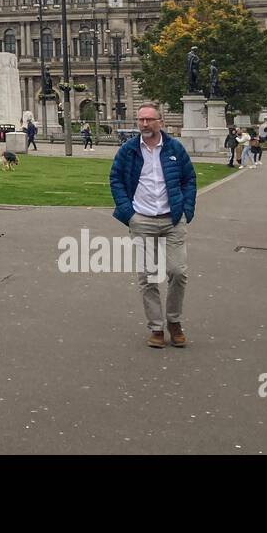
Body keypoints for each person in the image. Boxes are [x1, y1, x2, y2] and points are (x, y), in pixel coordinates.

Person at [109, 102, 198, 349]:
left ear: (160, 121)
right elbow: (115, 178)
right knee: (148, 277)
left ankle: (174, 321)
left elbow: (189, 179)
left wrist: (186, 210)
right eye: (141, 120)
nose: (145, 124)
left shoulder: (175, 148)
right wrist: (129, 213)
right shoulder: (128, 150)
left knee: (178, 272)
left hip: (172, 219)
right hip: (142, 219)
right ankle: (156, 327)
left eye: (149, 119)